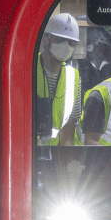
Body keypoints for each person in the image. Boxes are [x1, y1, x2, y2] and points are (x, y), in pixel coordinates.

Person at [36, 12, 82, 146]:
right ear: (46, 39)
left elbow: (70, 123)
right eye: (60, 40)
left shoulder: (74, 77)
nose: (67, 46)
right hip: (27, 152)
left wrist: (64, 161)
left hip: (54, 156)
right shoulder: (28, 69)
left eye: (71, 42)